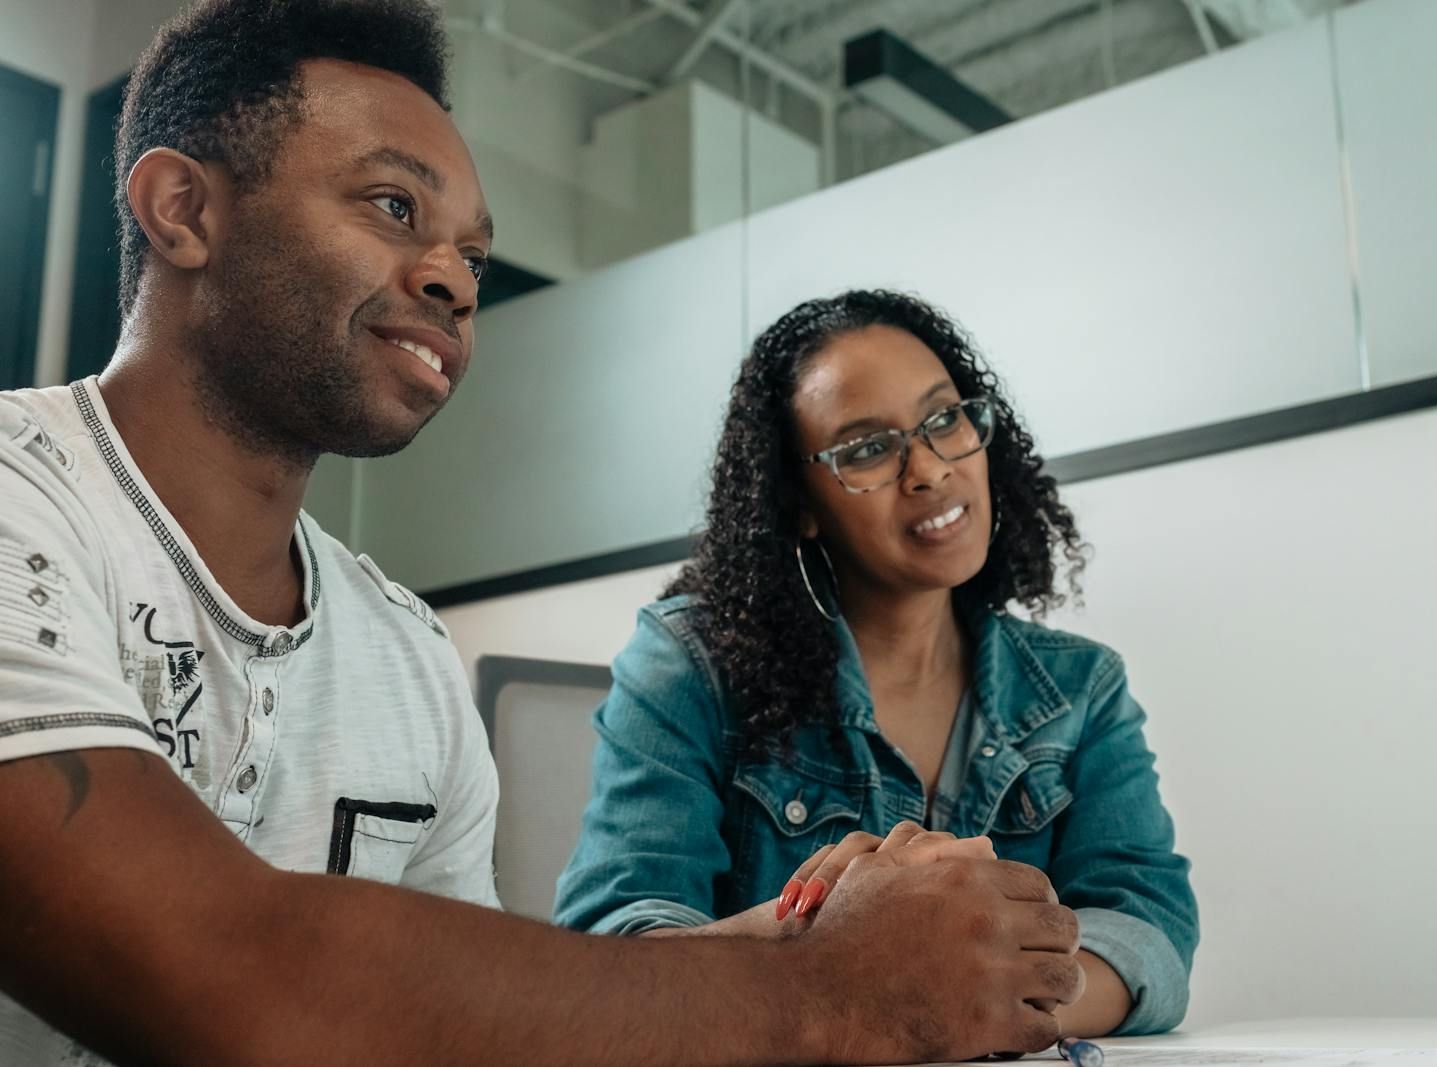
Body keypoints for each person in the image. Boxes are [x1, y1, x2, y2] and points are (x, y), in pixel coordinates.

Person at [0, 4, 1081, 1064]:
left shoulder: (406, 653)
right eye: (391, 205)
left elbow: (471, 1028)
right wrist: (827, 987)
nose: (452, 283)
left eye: (471, 255)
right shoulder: (21, 492)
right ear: (182, 207)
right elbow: (228, 971)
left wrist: (802, 939)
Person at [555, 290, 1199, 1037]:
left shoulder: (1082, 687)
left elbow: (1146, 923)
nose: (927, 469)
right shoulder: (689, 662)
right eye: (867, 448)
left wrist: (978, 1003)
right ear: (799, 502)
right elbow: (617, 943)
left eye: (945, 419)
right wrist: (841, 966)